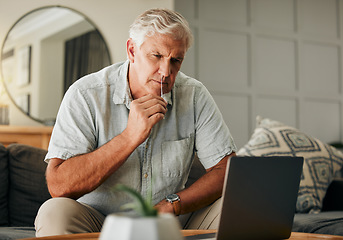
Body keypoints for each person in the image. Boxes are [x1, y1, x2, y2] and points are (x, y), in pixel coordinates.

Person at [35, 8, 237, 236]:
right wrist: (130, 137)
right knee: (54, 211)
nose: (166, 71)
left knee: (239, 204)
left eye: (176, 60)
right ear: (132, 51)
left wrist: (171, 205)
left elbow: (225, 169)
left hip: (172, 220)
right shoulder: (85, 94)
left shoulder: (194, 94)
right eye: (157, 56)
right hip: (100, 222)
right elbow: (58, 185)